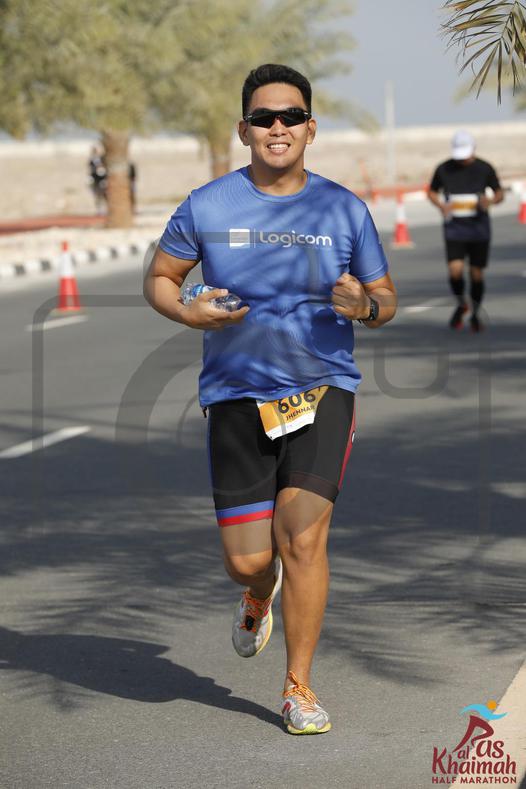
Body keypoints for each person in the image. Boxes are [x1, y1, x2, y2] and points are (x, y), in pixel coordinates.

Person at [143, 63, 397, 735]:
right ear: (244, 130)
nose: (277, 127)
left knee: (303, 538)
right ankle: (260, 591)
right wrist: (188, 311)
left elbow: (385, 297)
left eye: (290, 116)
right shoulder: (207, 204)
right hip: (234, 395)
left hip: (323, 388)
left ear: (311, 128)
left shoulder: (344, 209)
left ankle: (298, 686)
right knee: (249, 560)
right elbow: (162, 277)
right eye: (263, 118)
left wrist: (365, 306)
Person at [428, 130, 504, 332]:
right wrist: (441, 205)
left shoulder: (485, 168)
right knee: (455, 271)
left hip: (478, 228)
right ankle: (462, 303)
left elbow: (499, 193)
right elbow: (432, 192)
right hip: (454, 228)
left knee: (476, 272)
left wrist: (490, 201)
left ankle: (476, 312)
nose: (462, 160)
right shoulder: (444, 168)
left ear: (473, 149)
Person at [88, 145, 107, 214]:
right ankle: (99, 209)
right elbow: (91, 170)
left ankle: (105, 209)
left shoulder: (102, 159)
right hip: (95, 180)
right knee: (97, 195)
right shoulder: (91, 160)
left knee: (104, 195)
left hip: (102, 179)